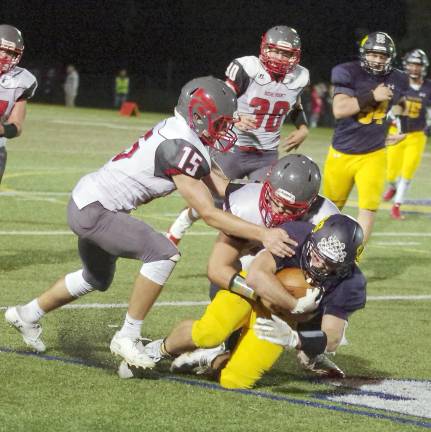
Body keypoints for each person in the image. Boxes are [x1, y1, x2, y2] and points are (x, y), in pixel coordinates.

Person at [5, 76, 294, 368]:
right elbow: (208, 212)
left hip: (87, 201)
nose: (224, 130)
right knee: (163, 253)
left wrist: (262, 196)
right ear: (199, 116)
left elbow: (221, 188)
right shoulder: (180, 146)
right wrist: (263, 233)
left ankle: (26, 313)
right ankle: (127, 336)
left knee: (96, 278)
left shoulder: (184, 133)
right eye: (219, 123)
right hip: (96, 210)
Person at [120, 214, 365, 389]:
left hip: (280, 320)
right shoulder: (296, 235)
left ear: (346, 265)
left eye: (330, 262)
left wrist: (294, 339)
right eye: (317, 254)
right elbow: (258, 275)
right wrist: (294, 304)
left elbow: (332, 337)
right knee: (208, 333)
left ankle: (211, 358)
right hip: (249, 292)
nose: (318, 264)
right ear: (313, 238)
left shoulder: (351, 282)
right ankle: (159, 349)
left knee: (234, 380)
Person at [167, 25, 310, 245]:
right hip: (231, 148)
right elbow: (219, 97)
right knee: (212, 200)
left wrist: (303, 127)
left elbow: (296, 105)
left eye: (286, 53)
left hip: (266, 154)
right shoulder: (247, 68)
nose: (279, 57)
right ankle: (178, 228)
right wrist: (235, 116)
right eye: (274, 51)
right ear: (264, 48)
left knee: (269, 206)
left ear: (295, 56)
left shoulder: (300, 77)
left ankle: (242, 257)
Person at [322, 31, 409, 243]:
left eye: (382, 56)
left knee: (368, 209)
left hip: (374, 153)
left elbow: (402, 103)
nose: (377, 60)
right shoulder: (347, 72)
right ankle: (315, 253)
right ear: (364, 54)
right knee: (330, 209)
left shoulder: (398, 78)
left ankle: (353, 260)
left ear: (390, 57)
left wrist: (402, 128)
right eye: (373, 55)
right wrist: (372, 96)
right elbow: (340, 109)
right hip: (342, 152)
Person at [383, 49, 431, 220]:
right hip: (396, 132)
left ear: (423, 67)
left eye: (417, 65)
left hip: (416, 136)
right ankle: (393, 187)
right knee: (390, 172)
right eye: (411, 64)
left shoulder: (428, 87)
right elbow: (390, 107)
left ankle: (397, 205)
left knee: (407, 172)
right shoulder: (399, 84)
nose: (414, 68)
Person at [0, 24, 37, 184]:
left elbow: (17, 126)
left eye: (10, 52)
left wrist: (2, 129)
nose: (4, 56)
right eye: (1, 50)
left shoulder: (21, 81)